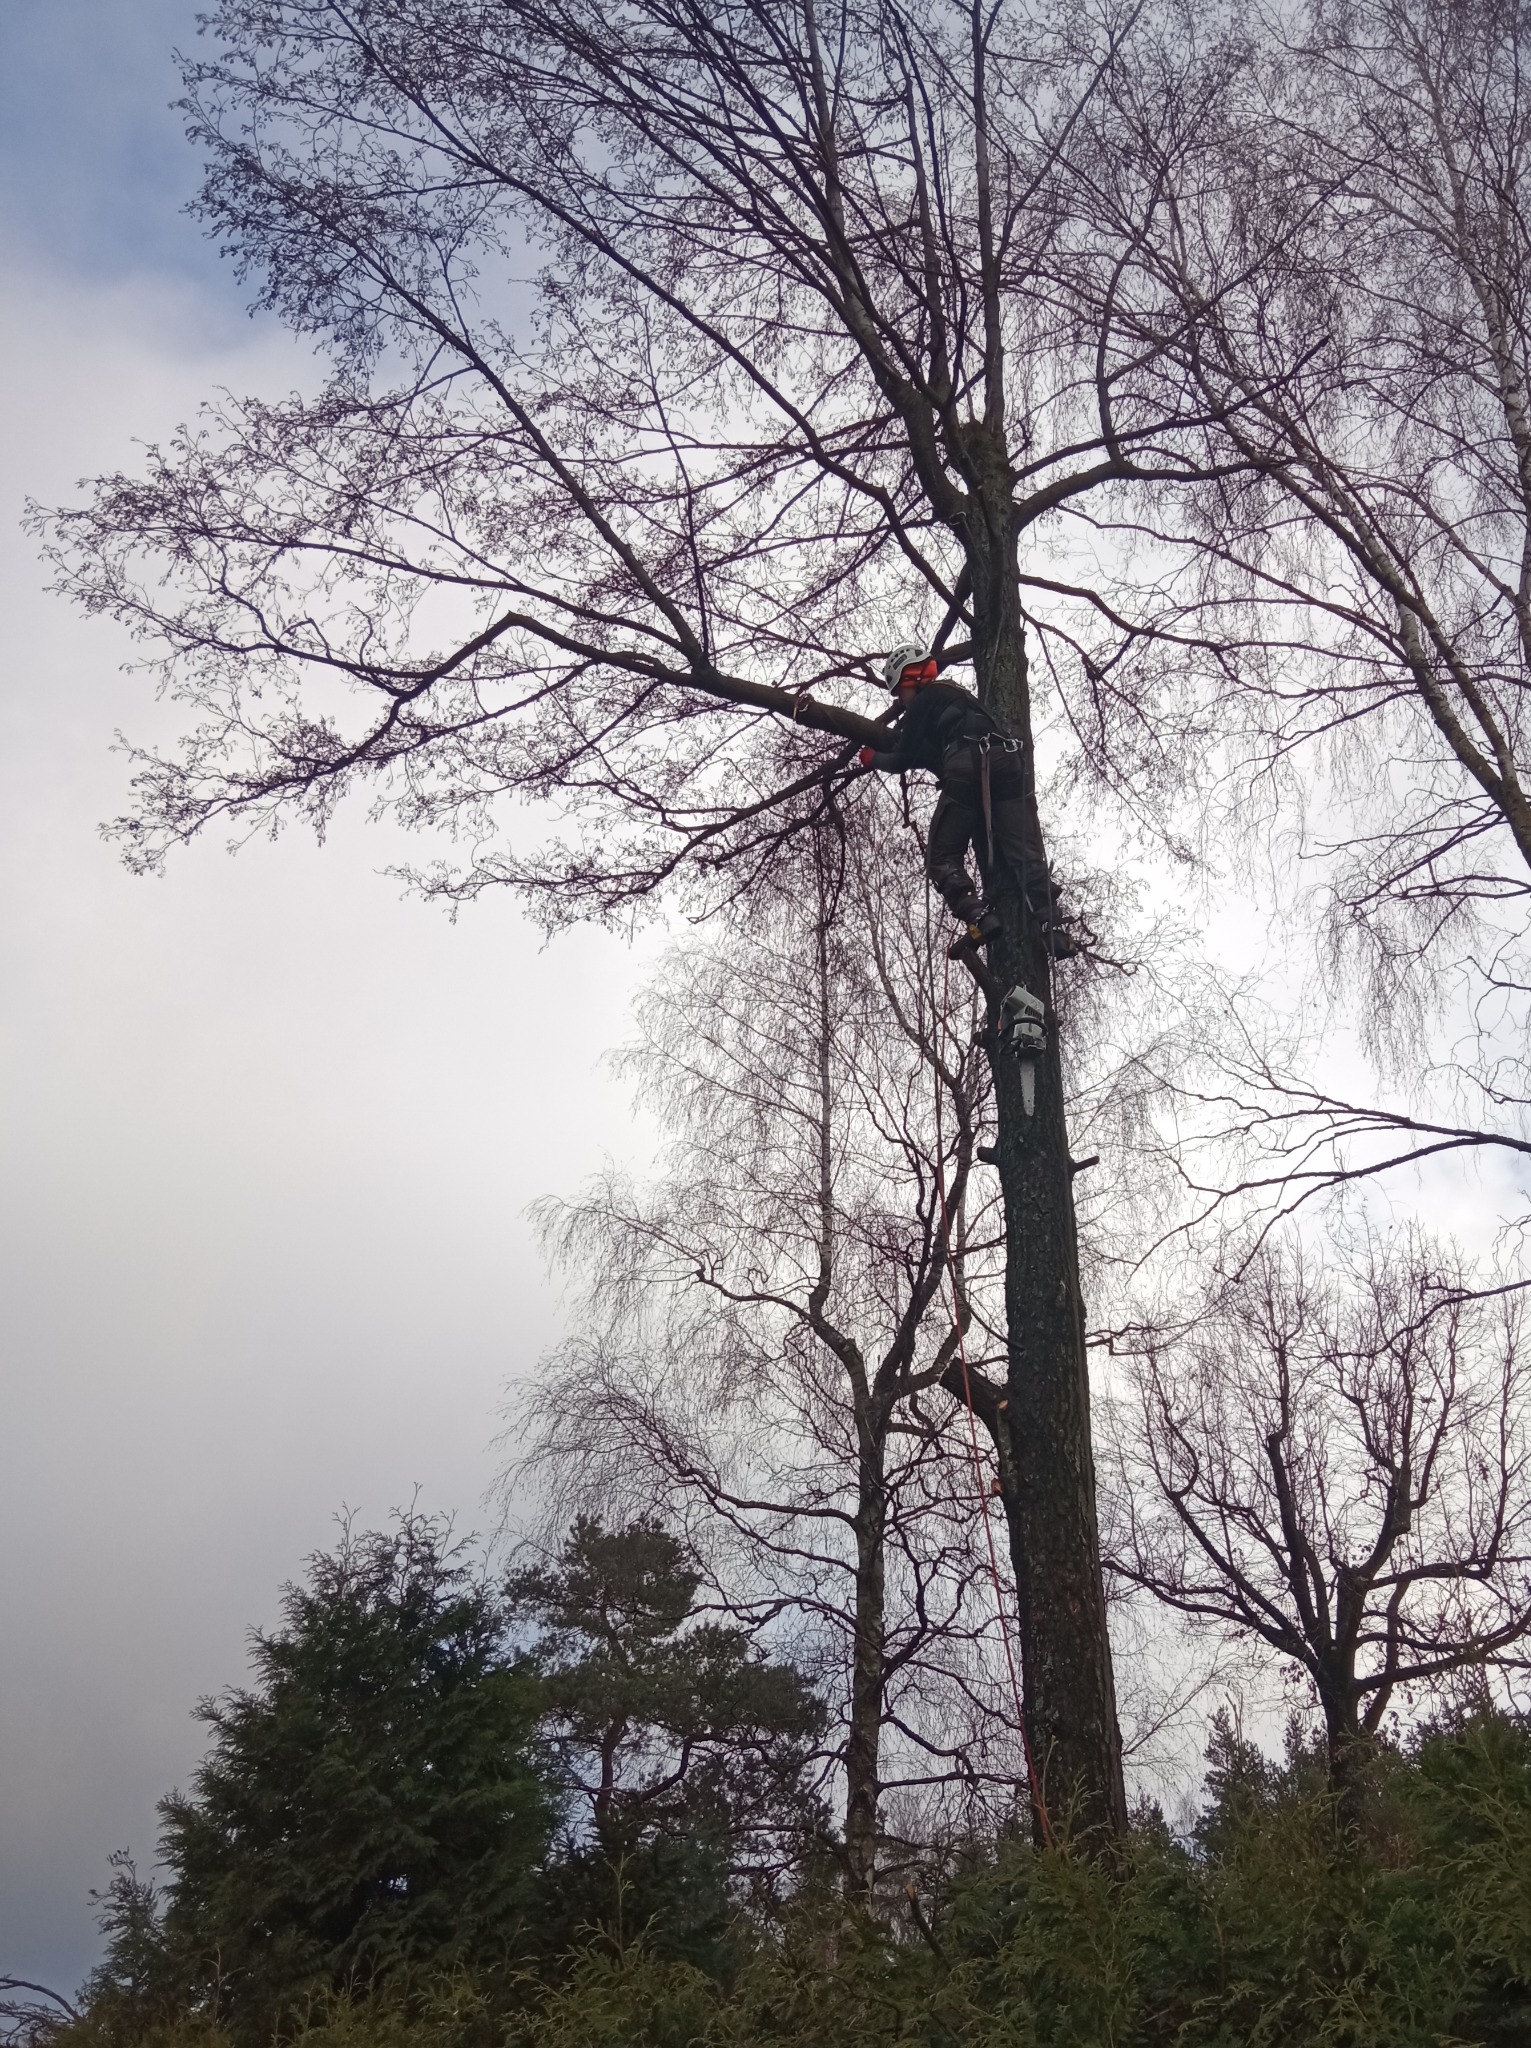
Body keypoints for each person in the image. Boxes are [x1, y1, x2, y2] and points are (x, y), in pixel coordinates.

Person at [858, 641, 1070, 955]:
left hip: (969, 764)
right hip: (1008, 763)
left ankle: (979, 916)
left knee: (941, 858)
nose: (901, 702)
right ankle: (1053, 929)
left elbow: (902, 758)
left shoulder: (925, 700)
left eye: (900, 693)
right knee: (1023, 851)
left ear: (910, 679)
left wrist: (872, 758)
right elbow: (926, 752)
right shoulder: (958, 698)